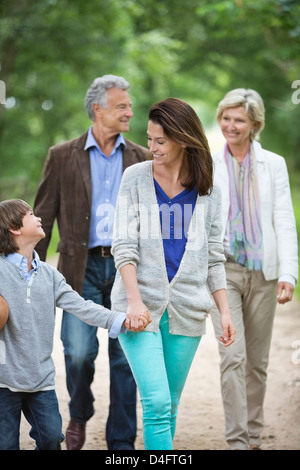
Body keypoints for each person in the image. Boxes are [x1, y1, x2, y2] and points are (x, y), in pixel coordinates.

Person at [110, 97, 236, 450]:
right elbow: (123, 245)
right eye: (149, 139)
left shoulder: (208, 188)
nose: (152, 148)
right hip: (138, 309)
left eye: (160, 141)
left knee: (171, 404)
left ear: (182, 138)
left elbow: (214, 256)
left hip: (187, 309)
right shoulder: (135, 178)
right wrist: (133, 301)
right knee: (157, 402)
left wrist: (223, 311)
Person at [33, 75, 149, 450]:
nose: (130, 112)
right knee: (78, 351)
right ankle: (80, 413)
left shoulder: (141, 158)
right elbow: (43, 216)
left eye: (129, 106)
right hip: (78, 269)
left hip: (126, 268)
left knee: (126, 358)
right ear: (98, 109)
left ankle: (121, 442)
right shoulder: (61, 154)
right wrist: (28, 273)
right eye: (122, 106)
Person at [0, 199, 151, 450]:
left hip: (41, 380)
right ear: (14, 228)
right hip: (4, 379)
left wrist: (119, 318)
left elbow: (81, 306)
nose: (38, 218)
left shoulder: (50, 275)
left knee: (50, 439)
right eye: (30, 214)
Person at [210, 88, 298, 450]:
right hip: (224, 270)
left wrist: (289, 273)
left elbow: (283, 219)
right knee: (232, 356)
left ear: (254, 124)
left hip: (264, 273)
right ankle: (237, 440)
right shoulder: (208, 163)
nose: (231, 125)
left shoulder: (273, 164)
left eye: (239, 120)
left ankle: (254, 434)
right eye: (226, 118)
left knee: (257, 363)